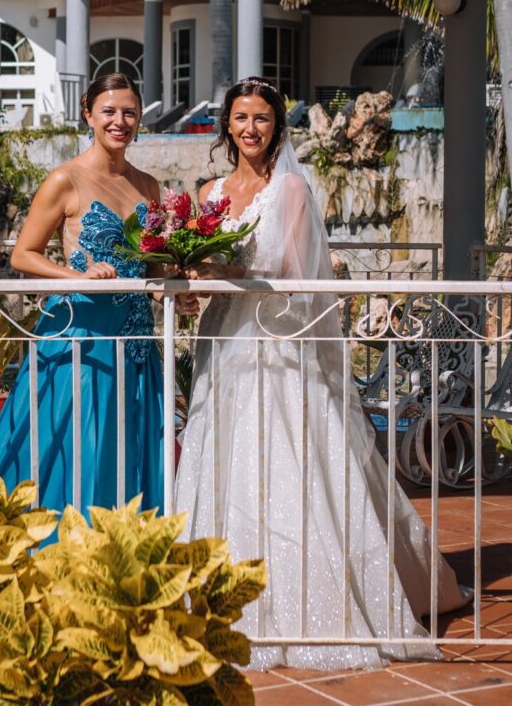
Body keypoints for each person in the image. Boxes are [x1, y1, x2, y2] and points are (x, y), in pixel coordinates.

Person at [176, 76, 469, 671]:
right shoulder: (207, 192)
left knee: (290, 457)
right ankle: (216, 596)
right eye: (240, 118)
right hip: (222, 342)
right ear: (225, 125)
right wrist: (188, 287)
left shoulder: (289, 190)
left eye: (261, 118)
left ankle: (309, 601)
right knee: (225, 458)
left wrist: (222, 271)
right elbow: (198, 273)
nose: (250, 129)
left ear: (276, 126)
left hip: (278, 345)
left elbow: (297, 276)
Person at [0, 73, 164, 515]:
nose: (120, 121)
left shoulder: (149, 186)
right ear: (88, 114)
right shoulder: (65, 179)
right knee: (75, 443)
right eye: (109, 111)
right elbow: (22, 255)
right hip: (78, 338)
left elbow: (152, 267)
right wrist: (73, 276)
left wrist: (172, 290)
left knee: (128, 444)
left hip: (134, 342)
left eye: (130, 112)